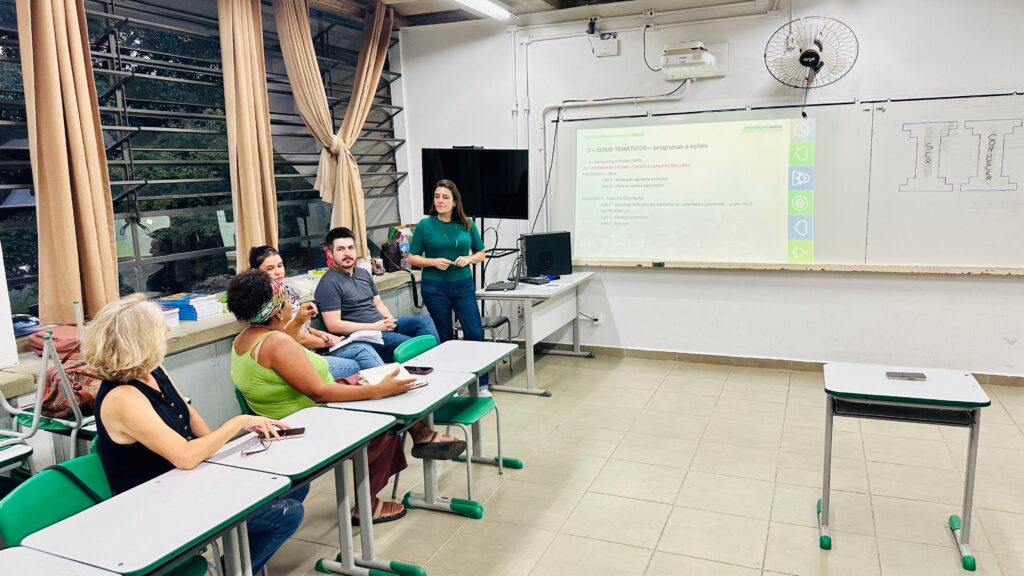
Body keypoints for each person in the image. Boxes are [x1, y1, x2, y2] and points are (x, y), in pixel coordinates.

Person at [83, 294, 303, 574]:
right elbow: (185, 457)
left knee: (293, 483)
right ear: (140, 339)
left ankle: (237, 564)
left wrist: (223, 458)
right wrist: (236, 423)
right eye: (159, 325)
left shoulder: (152, 370)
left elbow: (189, 415)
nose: (168, 329)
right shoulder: (122, 398)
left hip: (187, 481)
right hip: (156, 504)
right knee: (286, 514)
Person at [226, 269, 465, 523]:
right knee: (383, 423)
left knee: (376, 378)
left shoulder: (247, 338)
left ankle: (422, 435)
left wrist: (297, 323)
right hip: (307, 421)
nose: (290, 306)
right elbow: (318, 393)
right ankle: (367, 504)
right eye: (286, 301)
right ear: (275, 312)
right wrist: (377, 390)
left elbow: (283, 346)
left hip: (296, 412)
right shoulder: (276, 344)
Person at [249, 245, 384, 379]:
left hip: (314, 349)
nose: (278, 272)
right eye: (270, 269)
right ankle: (386, 387)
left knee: (363, 349)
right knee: (357, 365)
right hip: (297, 357)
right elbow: (292, 335)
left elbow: (302, 326)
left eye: (280, 265)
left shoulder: (286, 289)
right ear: (256, 272)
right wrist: (328, 342)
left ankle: (390, 386)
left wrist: (321, 333)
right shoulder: (265, 301)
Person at [407, 179, 489, 392]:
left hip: (463, 285)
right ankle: (450, 385)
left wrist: (469, 259)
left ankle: (481, 383)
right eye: (437, 197)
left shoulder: (467, 223)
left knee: (474, 332)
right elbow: (412, 258)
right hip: (435, 288)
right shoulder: (425, 225)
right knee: (444, 336)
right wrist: (433, 262)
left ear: (454, 202)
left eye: (445, 197)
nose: (440, 201)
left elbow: (481, 252)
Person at [314, 227, 440, 362]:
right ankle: (426, 368)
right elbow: (334, 325)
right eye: (340, 249)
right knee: (411, 344)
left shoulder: (362, 273)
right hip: (362, 335)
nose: (347, 253)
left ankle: (435, 365)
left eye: (350, 248)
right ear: (330, 254)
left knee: (424, 322)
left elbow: (378, 303)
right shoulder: (328, 283)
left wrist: (388, 318)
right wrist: (375, 327)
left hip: (381, 326)